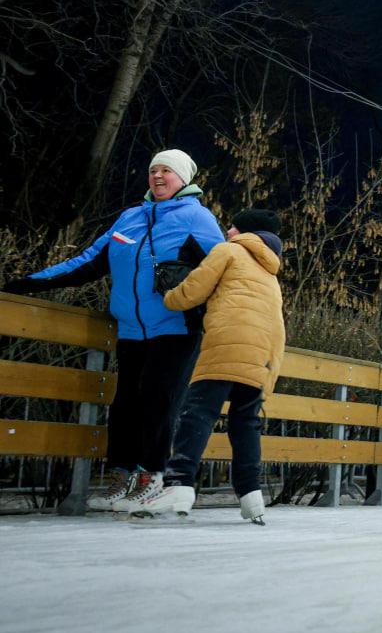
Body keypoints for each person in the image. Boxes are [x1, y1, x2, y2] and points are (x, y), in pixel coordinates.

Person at [2, 150, 223, 511]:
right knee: (125, 405)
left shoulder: (196, 218)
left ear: (184, 178)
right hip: (132, 330)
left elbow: (222, 271)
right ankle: (123, 476)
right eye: (153, 170)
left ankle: (152, 475)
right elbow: (88, 261)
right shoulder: (130, 218)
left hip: (176, 327)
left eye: (166, 170)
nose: (158, 176)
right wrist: (29, 282)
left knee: (157, 399)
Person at [125, 210, 286, 522]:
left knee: (197, 413)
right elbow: (278, 326)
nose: (227, 230)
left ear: (245, 232)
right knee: (245, 424)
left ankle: (178, 485)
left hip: (225, 344)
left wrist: (169, 296)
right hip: (260, 357)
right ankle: (251, 495)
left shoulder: (228, 251)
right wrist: (270, 372)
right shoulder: (271, 274)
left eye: (233, 226)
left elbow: (193, 290)